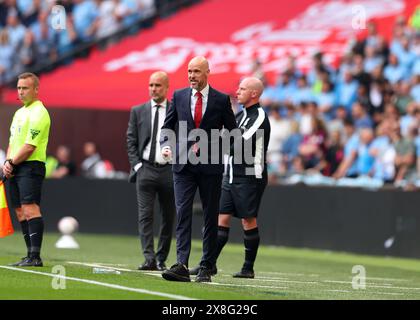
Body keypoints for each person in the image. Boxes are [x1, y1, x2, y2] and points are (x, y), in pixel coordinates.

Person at [160, 56, 237, 282]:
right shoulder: (179, 96)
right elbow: (168, 126)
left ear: (207, 73)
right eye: (189, 71)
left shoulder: (221, 100)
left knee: (210, 216)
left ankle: (206, 265)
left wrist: (218, 148)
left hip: (210, 166)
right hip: (183, 165)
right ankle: (181, 264)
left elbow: (233, 132)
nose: (192, 75)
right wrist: (166, 146)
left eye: (196, 71)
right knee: (183, 213)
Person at [189, 77, 271, 279]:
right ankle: (208, 264)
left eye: (242, 88)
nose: (237, 91)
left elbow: (239, 142)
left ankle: (248, 267)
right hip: (231, 173)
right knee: (221, 217)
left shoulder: (259, 116)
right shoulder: (241, 115)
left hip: (250, 175)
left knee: (247, 220)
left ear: (254, 93)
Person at [126, 71, 175, 271]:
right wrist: (137, 166)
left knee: (168, 216)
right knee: (145, 216)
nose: (153, 89)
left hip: (169, 171)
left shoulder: (176, 110)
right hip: (145, 169)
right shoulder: (138, 110)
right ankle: (149, 258)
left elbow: (184, 138)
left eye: (158, 85)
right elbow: (131, 140)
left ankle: (161, 258)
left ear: (166, 87)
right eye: (151, 85)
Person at [2, 72, 51, 267]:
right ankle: (29, 254)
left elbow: (30, 146)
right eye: (19, 88)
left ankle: (35, 256)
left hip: (30, 166)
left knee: (30, 208)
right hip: (15, 165)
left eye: (25, 88)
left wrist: (11, 163)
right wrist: (7, 162)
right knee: (20, 211)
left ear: (36, 89)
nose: (21, 92)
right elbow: (12, 142)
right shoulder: (19, 112)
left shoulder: (40, 112)